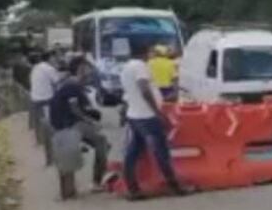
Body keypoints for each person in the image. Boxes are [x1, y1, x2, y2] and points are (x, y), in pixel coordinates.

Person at [120, 43, 189, 200]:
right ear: (146, 52)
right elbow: (144, 89)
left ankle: (132, 188)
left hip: (134, 115)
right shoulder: (140, 67)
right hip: (147, 116)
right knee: (161, 151)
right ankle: (174, 186)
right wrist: (157, 113)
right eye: (151, 52)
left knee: (133, 152)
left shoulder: (127, 67)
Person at [48, 57, 112, 199]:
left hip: (64, 124)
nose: (91, 72)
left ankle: (73, 189)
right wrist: (90, 121)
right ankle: (96, 182)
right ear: (81, 69)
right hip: (70, 124)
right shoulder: (73, 85)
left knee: (99, 143)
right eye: (88, 68)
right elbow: (74, 108)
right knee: (102, 143)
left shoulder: (68, 83)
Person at [29, 49, 63, 154]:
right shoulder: (49, 68)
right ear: (50, 58)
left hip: (35, 98)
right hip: (46, 98)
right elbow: (57, 81)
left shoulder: (35, 68)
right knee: (50, 120)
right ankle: (52, 142)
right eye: (53, 58)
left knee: (38, 120)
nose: (55, 60)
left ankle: (39, 141)